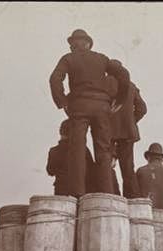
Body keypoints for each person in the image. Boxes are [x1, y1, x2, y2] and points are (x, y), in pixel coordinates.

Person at [49, 29, 131, 197]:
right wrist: (119, 100)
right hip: (102, 107)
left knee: (77, 149)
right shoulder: (102, 58)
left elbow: (55, 78)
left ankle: (77, 193)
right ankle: (107, 192)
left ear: (74, 44)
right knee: (103, 149)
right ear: (88, 44)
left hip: (79, 106)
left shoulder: (68, 58)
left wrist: (62, 101)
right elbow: (123, 74)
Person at [109, 79, 147, 197]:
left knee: (107, 166)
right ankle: (131, 197)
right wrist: (131, 121)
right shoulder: (131, 86)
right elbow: (142, 109)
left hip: (109, 132)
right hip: (127, 133)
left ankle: (111, 194)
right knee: (128, 168)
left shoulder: (106, 83)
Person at [46, 119, 95, 195]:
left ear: (60, 132)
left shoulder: (54, 151)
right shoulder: (83, 150)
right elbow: (92, 170)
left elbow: (50, 171)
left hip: (61, 189)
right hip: (83, 190)